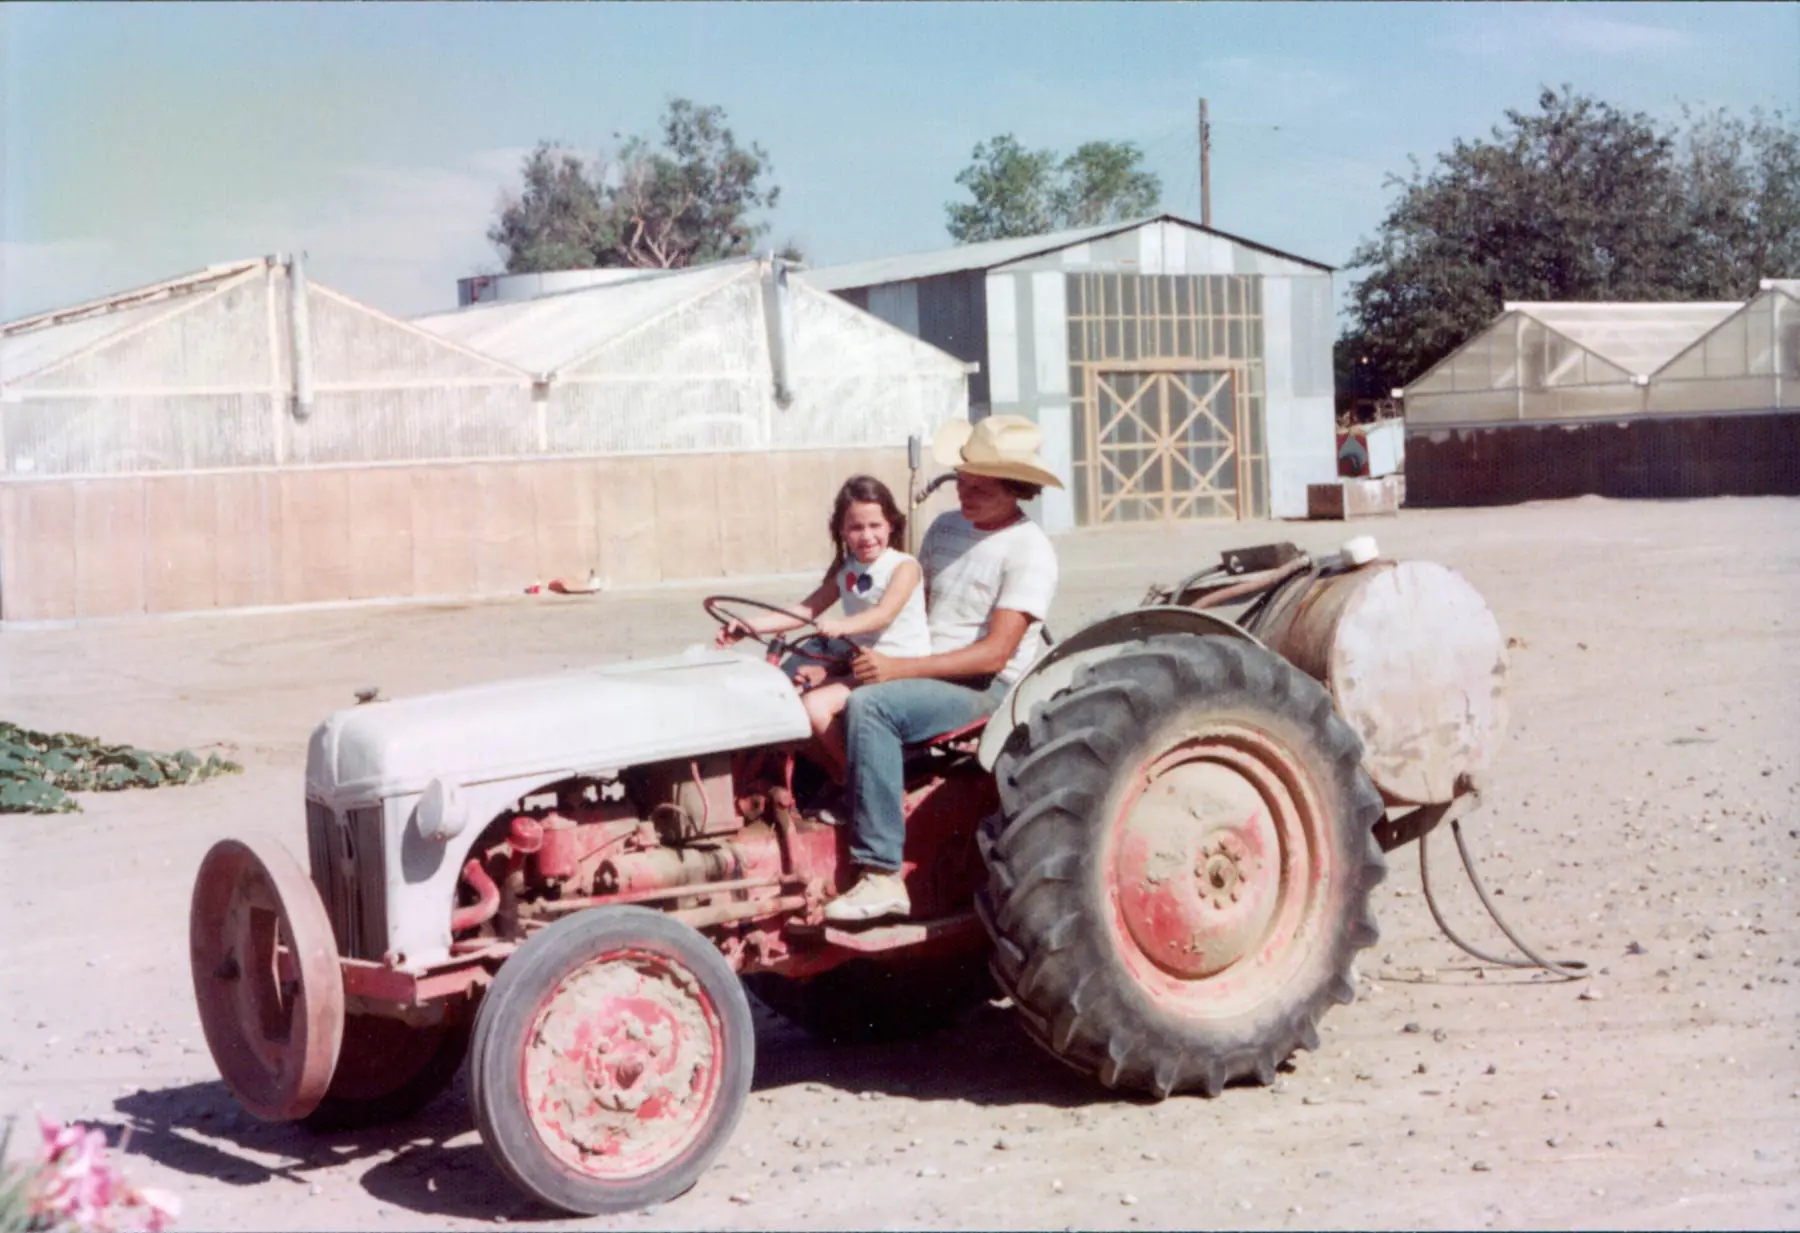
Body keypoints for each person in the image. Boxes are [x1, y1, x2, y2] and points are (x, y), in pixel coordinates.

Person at [824, 415, 1062, 923]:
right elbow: (910, 607)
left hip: (987, 689)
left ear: (1016, 489)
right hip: (924, 668)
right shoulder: (945, 528)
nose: (964, 495)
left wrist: (897, 669)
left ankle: (882, 873)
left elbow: (996, 654)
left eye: (979, 488)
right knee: (806, 679)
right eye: (962, 482)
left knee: (871, 707)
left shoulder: (1030, 551)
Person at [714, 475, 930, 779]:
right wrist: (749, 626)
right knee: (786, 702)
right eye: (856, 527)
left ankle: (861, 782)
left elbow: (883, 614)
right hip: (865, 668)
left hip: (900, 668)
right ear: (841, 530)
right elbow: (806, 611)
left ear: (891, 524)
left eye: (875, 525)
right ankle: (837, 774)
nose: (866, 536)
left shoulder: (904, 567)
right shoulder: (847, 570)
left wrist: (842, 626)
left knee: (815, 707)